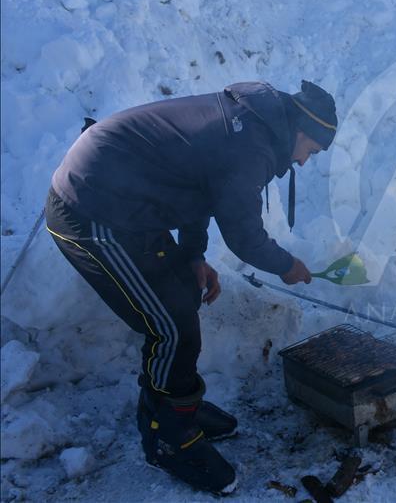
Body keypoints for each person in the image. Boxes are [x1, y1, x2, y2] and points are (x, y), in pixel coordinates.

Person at [45, 80, 337, 495]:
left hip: (129, 206)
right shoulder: (249, 145)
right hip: (92, 210)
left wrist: (194, 255)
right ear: (302, 130)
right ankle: (168, 436)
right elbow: (244, 235)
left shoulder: (248, 125)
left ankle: (175, 406)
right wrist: (286, 265)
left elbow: (198, 187)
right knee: (170, 324)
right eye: (312, 151)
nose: (305, 162)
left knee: (181, 295)